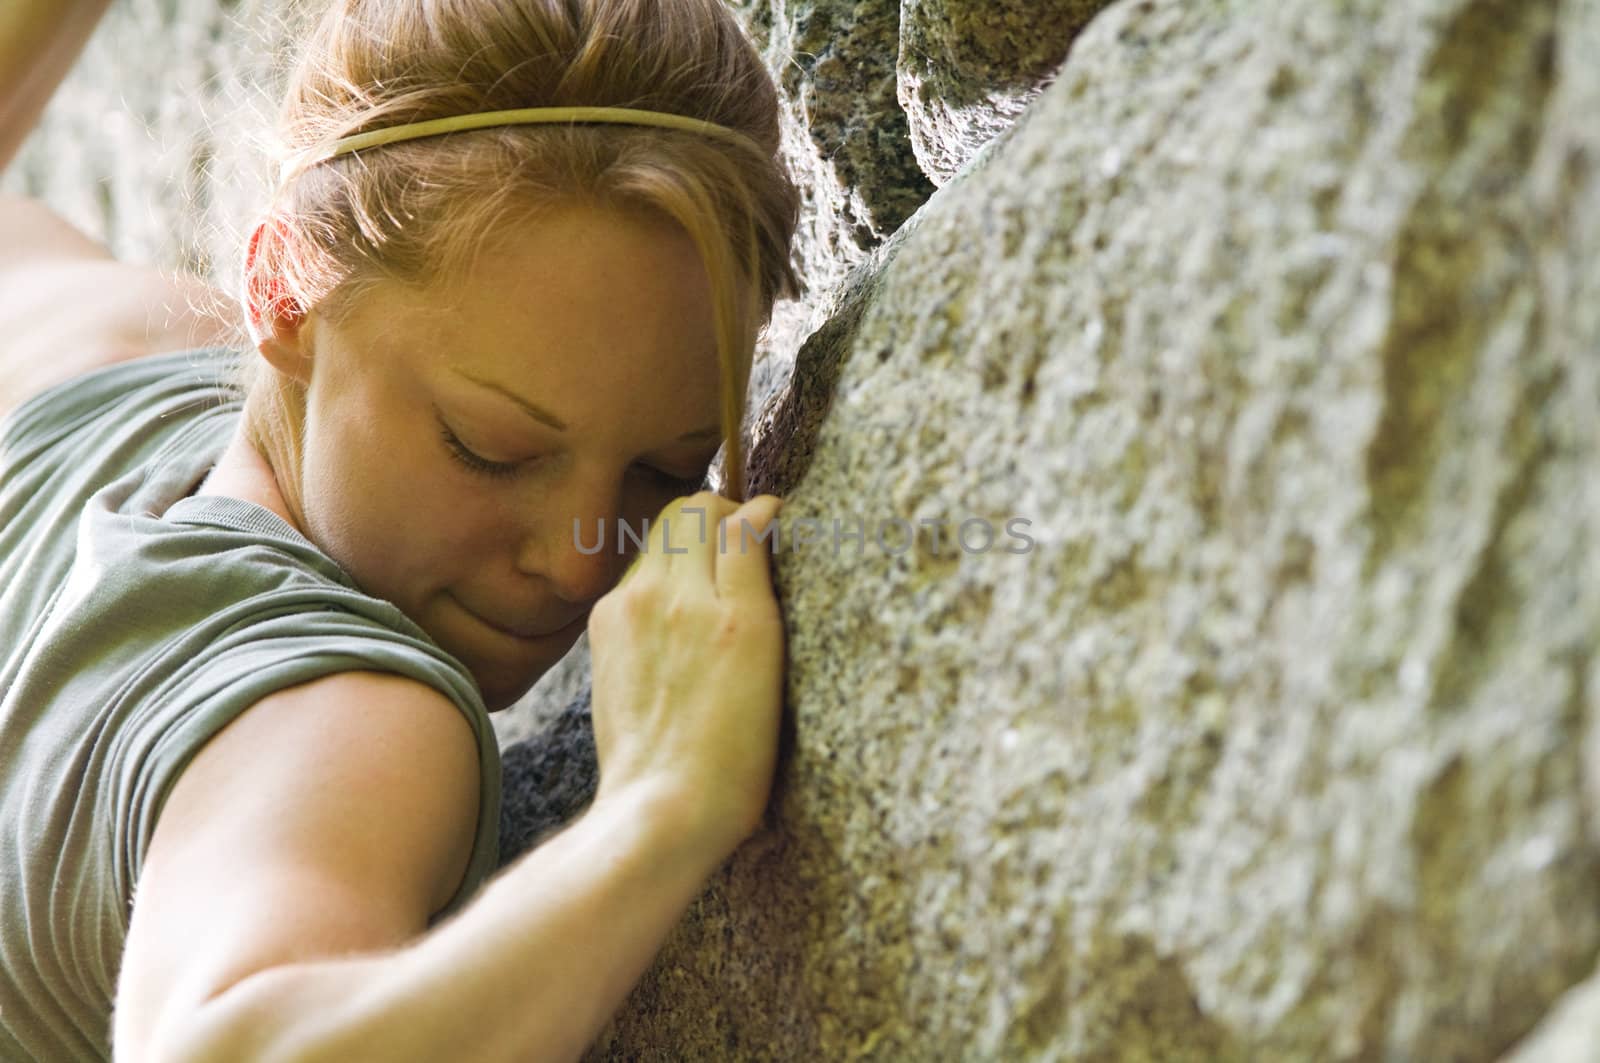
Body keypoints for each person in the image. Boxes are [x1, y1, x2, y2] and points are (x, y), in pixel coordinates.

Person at [0, 0, 802, 1059]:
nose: (577, 559)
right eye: (490, 447)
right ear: (280, 290)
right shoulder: (353, 719)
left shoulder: (88, 341)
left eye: (663, 470)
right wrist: (664, 804)